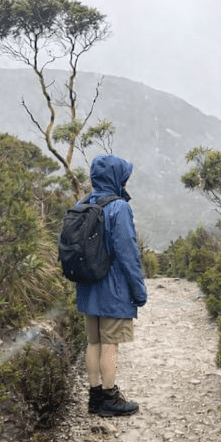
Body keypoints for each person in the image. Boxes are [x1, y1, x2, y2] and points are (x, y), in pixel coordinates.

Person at [77, 154, 147, 417]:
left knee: (93, 342)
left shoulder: (82, 203)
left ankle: (94, 397)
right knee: (110, 344)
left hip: (87, 287)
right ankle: (109, 398)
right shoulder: (119, 207)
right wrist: (138, 290)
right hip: (113, 289)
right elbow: (128, 252)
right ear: (116, 177)